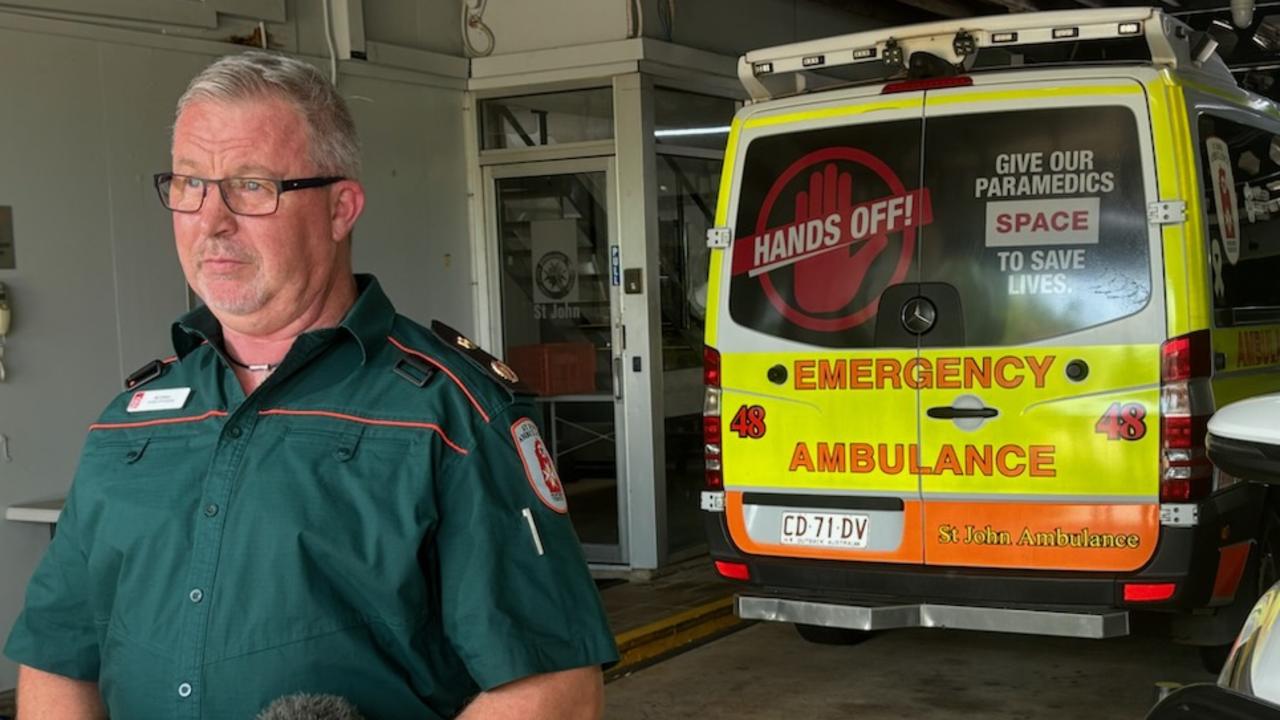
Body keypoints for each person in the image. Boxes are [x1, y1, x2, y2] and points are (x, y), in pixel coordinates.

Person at [4, 51, 617, 719]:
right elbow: (60, 658)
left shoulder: (453, 416)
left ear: (340, 208)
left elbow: (551, 689)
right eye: (189, 185)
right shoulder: (130, 422)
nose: (211, 221)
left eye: (251, 186)